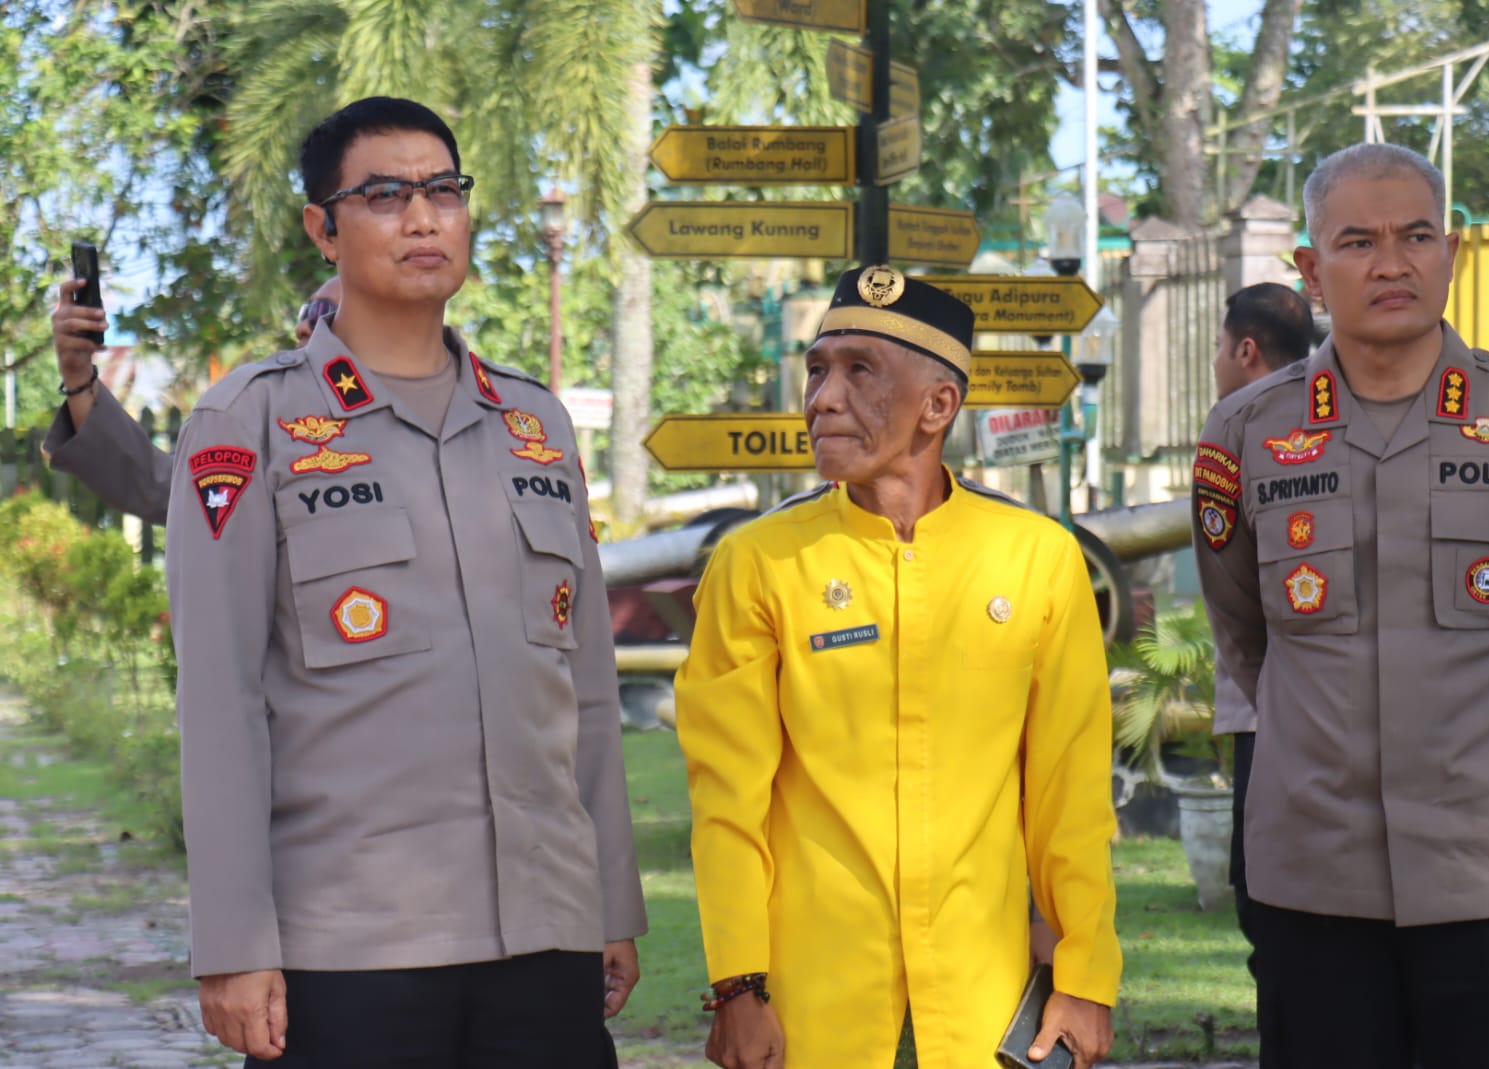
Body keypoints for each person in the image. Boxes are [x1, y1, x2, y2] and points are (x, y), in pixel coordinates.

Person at [164, 96, 645, 1066]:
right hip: (350, 953)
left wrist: (611, 905)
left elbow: (587, 690)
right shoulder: (249, 422)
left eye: (443, 191)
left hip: (543, 942)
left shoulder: (534, 425)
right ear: (322, 226)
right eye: (384, 194)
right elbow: (222, 701)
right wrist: (233, 944)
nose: (422, 217)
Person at [1193, 142, 1489, 1068]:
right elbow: (1244, 633)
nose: (1391, 263)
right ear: (1310, 271)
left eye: (1417, 236)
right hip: (1316, 886)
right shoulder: (1246, 433)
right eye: (1358, 240)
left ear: (1450, 253)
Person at [675, 265, 1122, 1069]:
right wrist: (738, 987)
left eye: (859, 370)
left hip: (988, 1006)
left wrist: (1085, 974)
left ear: (938, 406)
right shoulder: (759, 562)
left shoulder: (1037, 559)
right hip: (811, 1007)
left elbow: (1071, 793)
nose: (821, 398)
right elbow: (726, 802)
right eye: (816, 369)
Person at [1205, 281, 1315, 970]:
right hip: (1309, 706)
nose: (1218, 359)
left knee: (1269, 902)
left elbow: (1234, 602)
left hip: (1269, 711)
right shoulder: (1341, 421)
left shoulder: (1242, 429)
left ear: (1246, 349)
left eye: (1221, 346)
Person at [45, 278, 342, 524]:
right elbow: (157, 484)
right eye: (307, 312)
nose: (303, 326)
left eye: (324, 313)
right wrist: (77, 374)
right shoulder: (266, 427)